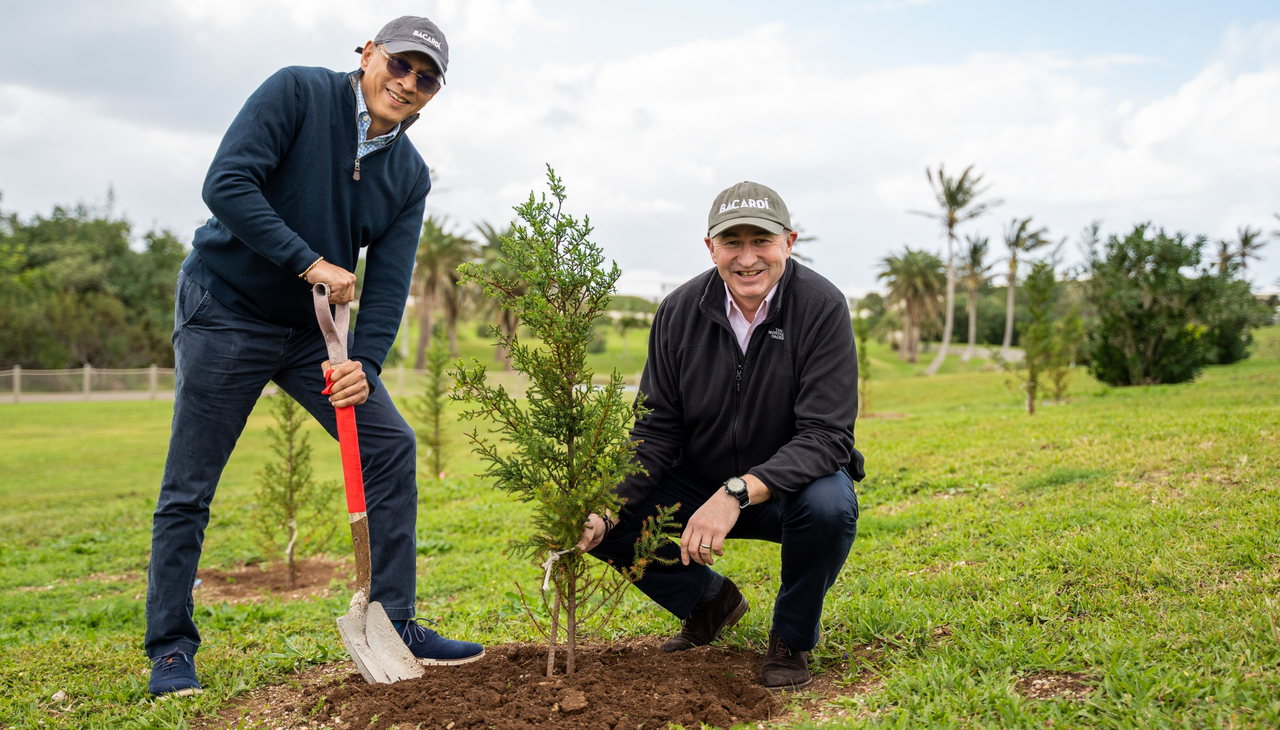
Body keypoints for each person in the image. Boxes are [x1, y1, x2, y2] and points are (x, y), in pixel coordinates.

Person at [145, 16, 483, 697]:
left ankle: (395, 620)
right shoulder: (298, 94)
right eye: (399, 64)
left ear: (434, 93)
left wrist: (370, 365)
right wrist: (309, 262)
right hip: (225, 310)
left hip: (310, 336)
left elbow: (387, 286)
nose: (407, 83)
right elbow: (227, 185)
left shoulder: (409, 175)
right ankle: (171, 647)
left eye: (426, 78)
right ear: (368, 53)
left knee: (389, 445)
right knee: (191, 483)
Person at [578, 181, 863, 691]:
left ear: (789, 242)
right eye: (733, 242)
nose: (747, 257)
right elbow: (657, 429)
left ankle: (791, 638)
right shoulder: (678, 311)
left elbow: (827, 436)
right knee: (596, 509)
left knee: (829, 507)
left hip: (788, 490)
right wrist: (605, 506)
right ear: (711, 248)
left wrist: (738, 491)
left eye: (762, 241)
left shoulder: (822, 306)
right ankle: (708, 603)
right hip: (696, 482)